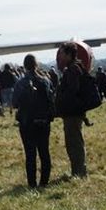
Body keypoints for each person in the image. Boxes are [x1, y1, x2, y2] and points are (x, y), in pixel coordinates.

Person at [12, 54, 54, 188]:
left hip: (27, 121)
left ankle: (32, 183)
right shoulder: (46, 81)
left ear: (24, 66)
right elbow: (51, 99)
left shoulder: (20, 83)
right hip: (43, 121)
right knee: (44, 152)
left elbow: (15, 103)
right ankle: (44, 182)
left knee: (30, 154)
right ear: (37, 65)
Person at [55, 42, 87, 178]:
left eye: (62, 53)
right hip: (73, 112)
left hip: (72, 113)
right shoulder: (75, 68)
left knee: (74, 143)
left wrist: (61, 97)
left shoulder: (73, 70)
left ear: (69, 54)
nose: (60, 56)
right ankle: (78, 171)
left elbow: (72, 92)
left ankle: (79, 172)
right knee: (74, 142)